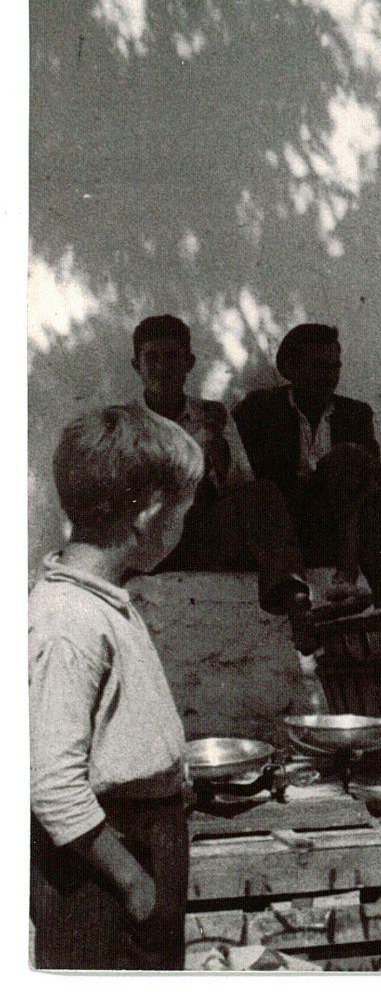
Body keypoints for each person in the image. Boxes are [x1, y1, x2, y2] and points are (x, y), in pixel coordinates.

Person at [31, 405, 202, 970]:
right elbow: (53, 786)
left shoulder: (102, 602)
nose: (184, 525)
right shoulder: (68, 620)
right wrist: (133, 882)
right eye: (183, 511)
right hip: (101, 872)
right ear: (150, 513)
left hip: (141, 845)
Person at [128, 316, 323, 709]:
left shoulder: (212, 416)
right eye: (152, 358)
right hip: (154, 546)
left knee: (263, 492)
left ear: (189, 363)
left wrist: (218, 460)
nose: (163, 367)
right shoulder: (124, 424)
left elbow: (242, 486)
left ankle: (297, 603)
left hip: (201, 536)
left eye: (173, 357)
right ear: (137, 365)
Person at [234, 323, 381, 611]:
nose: (329, 377)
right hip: (284, 533)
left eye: (335, 367)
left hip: (337, 530)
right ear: (290, 368)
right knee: (342, 462)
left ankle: (370, 583)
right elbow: (254, 480)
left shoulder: (355, 414)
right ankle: (364, 583)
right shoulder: (260, 410)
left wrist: (338, 471)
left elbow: (370, 481)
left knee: (356, 462)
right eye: (319, 367)